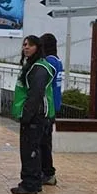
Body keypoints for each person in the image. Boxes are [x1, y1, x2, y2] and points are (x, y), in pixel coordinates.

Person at [10, 35, 55, 194]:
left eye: (29, 45)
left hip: (35, 116)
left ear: (38, 47)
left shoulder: (40, 68)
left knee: (30, 150)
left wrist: (27, 116)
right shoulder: (31, 65)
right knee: (30, 149)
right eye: (24, 45)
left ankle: (30, 184)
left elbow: (36, 94)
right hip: (31, 114)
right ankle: (33, 181)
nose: (26, 48)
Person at [40, 33, 64, 186]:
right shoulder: (57, 61)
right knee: (45, 141)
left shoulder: (49, 62)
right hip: (55, 105)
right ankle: (46, 171)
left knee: (43, 142)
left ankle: (48, 172)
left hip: (48, 107)